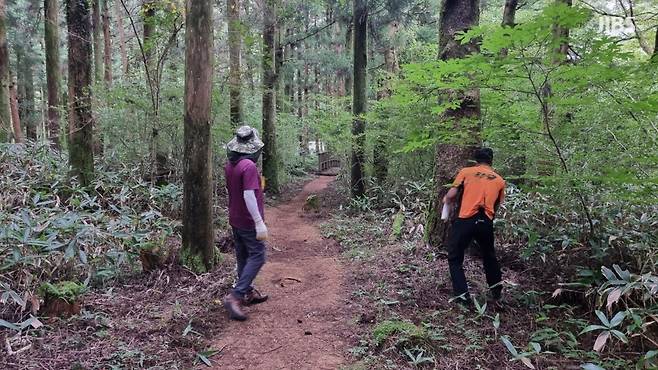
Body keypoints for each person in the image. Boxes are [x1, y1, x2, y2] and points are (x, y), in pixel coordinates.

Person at [442, 147, 506, 305]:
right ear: (491, 160)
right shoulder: (499, 180)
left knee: (455, 256)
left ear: (476, 160)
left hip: (466, 219)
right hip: (486, 221)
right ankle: (496, 292)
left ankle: (463, 297)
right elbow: (498, 204)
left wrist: (446, 202)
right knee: (489, 256)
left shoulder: (466, 172)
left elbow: (451, 195)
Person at [223, 126, 270, 321]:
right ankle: (236, 296)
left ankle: (248, 292)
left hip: (235, 218)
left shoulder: (230, 165)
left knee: (243, 256)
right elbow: (248, 194)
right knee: (258, 256)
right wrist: (258, 222)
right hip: (248, 220)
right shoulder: (248, 167)